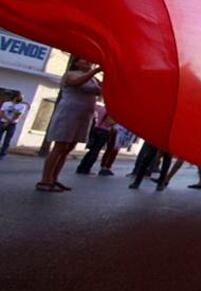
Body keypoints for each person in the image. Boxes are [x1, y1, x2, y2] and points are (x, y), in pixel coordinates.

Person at [37, 57, 102, 192]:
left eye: (89, 60)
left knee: (68, 148)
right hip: (69, 114)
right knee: (60, 146)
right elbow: (76, 82)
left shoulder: (93, 79)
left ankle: (54, 178)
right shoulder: (71, 74)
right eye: (84, 60)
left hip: (83, 116)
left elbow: (102, 89)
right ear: (76, 63)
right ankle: (45, 180)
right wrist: (95, 71)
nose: (88, 61)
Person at [75, 106, 115, 175]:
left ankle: (81, 167)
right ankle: (86, 168)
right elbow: (108, 123)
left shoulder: (102, 108)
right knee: (95, 151)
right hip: (104, 131)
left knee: (91, 150)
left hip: (96, 129)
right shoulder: (111, 111)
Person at [0, 92, 28, 158]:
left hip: (12, 125)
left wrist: (8, 122)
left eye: (22, 98)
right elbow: (1, 113)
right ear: (15, 97)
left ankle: (2, 154)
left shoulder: (22, 106)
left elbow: (17, 116)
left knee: (7, 140)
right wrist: (6, 120)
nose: (22, 99)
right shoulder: (6, 103)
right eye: (20, 97)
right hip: (2, 123)